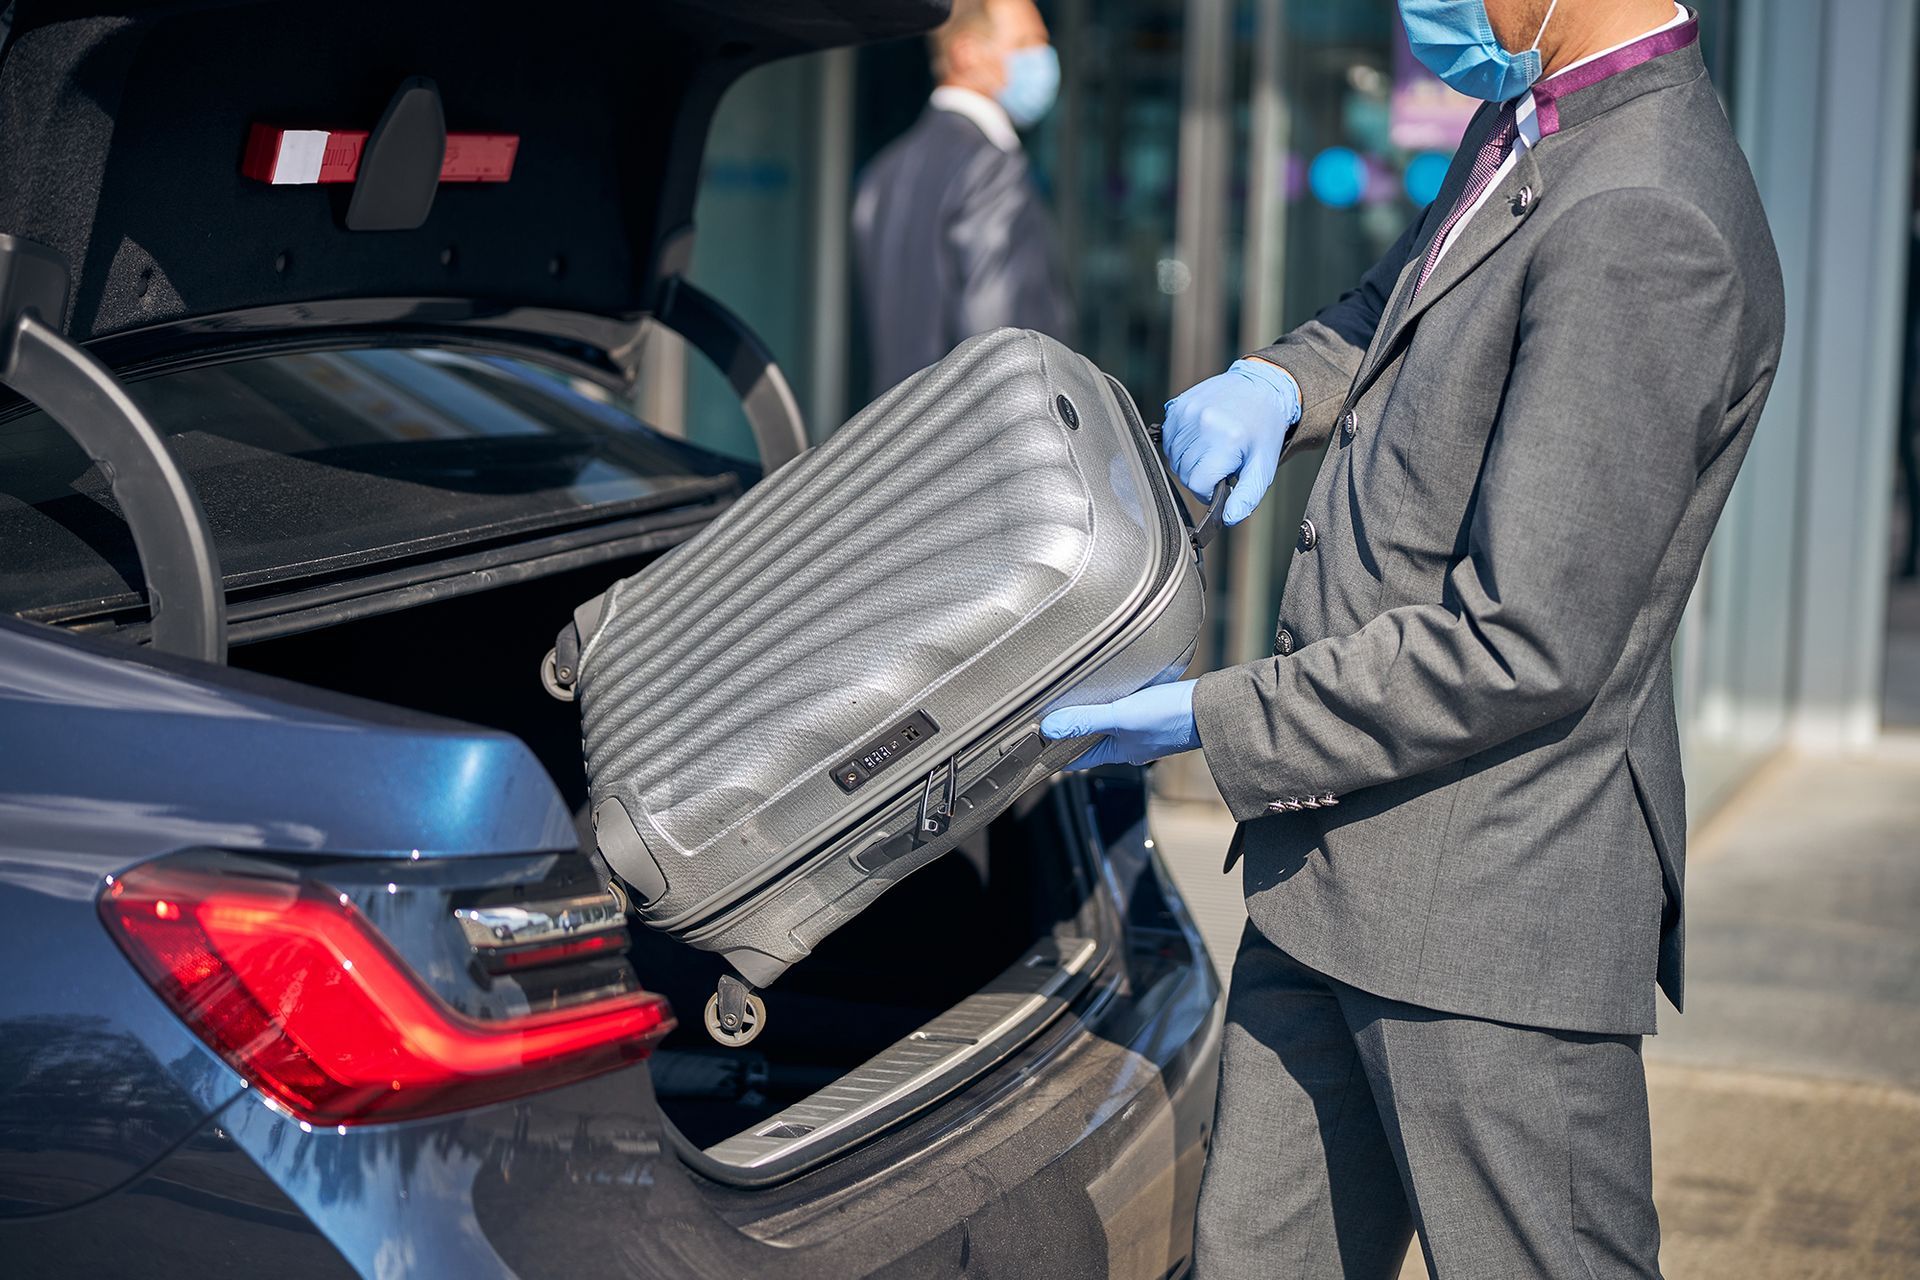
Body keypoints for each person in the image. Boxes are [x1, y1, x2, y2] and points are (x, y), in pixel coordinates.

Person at [1041, 2, 1785, 1276]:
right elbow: (1402, 305)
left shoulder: (1649, 217)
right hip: (1328, 875)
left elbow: (1520, 641)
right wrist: (1283, 380)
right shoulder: (1532, 119)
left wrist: (1215, 719)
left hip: (1490, 920)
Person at [851, 0, 1075, 396]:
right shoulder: (993, 168)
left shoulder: (883, 171)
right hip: (979, 448)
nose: (1043, 60)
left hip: (897, 440)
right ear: (967, 52)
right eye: (1026, 43)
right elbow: (1005, 357)